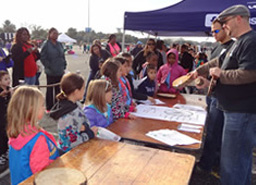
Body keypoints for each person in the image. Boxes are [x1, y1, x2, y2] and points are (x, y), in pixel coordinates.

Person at [192, 5, 256, 185]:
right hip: (235, 110)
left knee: (232, 164)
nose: (224, 26)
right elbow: (219, 60)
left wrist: (221, 75)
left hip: (241, 112)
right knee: (240, 162)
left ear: (238, 18)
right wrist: (199, 71)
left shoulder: (251, 41)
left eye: (225, 22)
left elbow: (250, 73)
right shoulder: (239, 42)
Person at [196, 18, 234, 175]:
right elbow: (213, 67)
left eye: (216, 31)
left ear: (225, 29)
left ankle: (207, 165)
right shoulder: (217, 47)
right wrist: (204, 80)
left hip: (223, 97)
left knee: (214, 132)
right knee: (212, 130)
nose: (213, 34)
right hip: (212, 94)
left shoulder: (234, 46)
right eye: (212, 31)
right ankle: (212, 161)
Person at [7, 86, 59, 185]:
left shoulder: (16, 130)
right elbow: (42, 174)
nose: (44, 108)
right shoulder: (37, 139)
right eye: (42, 105)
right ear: (31, 109)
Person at [49, 73, 95, 152]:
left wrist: (85, 127)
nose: (85, 91)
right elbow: (73, 142)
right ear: (76, 91)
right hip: (70, 152)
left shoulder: (75, 104)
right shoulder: (69, 114)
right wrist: (89, 134)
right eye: (83, 89)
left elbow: (84, 121)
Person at [41, 28, 67, 110]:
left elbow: (62, 55)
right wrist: (48, 66)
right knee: (50, 89)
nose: (56, 35)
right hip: (50, 71)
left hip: (60, 70)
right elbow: (43, 57)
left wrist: (64, 64)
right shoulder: (46, 44)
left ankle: (57, 105)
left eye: (57, 33)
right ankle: (49, 106)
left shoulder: (59, 44)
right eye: (54, 33)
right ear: (49, 34)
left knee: (58, 89)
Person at [0, 71, 11, 173]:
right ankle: (2, 154)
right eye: (5, 79)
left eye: (9, 79)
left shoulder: (8, 90)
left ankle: (7, 151)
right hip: (1, 118)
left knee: (7, 134)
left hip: (8, 117)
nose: (8, 81)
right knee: (2, 136)